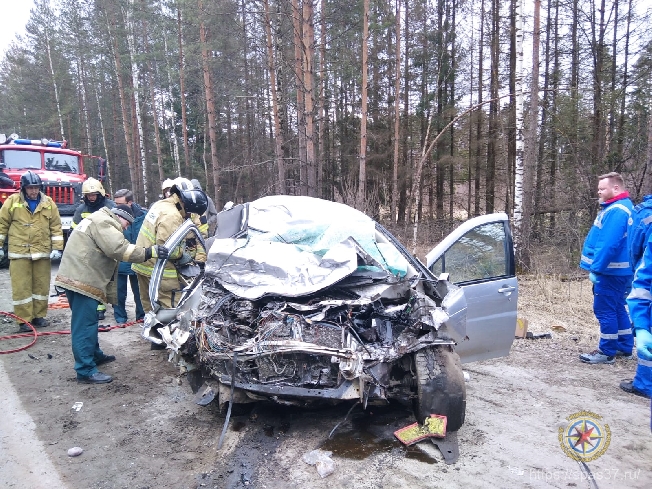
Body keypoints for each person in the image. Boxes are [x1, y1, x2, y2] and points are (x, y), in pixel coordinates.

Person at [54, 205, 169, 384]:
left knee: (88, 321)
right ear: (119, 216)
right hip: (82, 280)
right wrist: (149, 252)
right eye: (126, 223)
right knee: (84, 325)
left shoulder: (99, 218)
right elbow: (119, 249)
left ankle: (94, 355)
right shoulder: (105, 222)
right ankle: (85, 370)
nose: (126, 228)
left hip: (79, 276)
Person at [579, 172, 634, 364]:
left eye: (602, 188)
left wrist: (596, 269)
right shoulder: (621, 208)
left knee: (604, 310)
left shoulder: (617, 211)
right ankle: (624, 346)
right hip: (619, 272)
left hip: (610, 272)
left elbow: (608, 244)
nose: (598, 192)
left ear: (616, 188)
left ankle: (606, 352)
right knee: (618, 307)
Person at [132, 178, 208, 313]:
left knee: (150, 306)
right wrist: (184, 256)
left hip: (143, 264)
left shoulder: (160, 205)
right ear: (184, 199)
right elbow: (168, 250)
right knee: (171, 305)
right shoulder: (173, 215)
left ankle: (152, 330)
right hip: (160, 268)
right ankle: (168, 331)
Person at [0, 171, 64, 332]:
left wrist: (57, 248)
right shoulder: (12, 202)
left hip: (41, 252)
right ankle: (23, 321)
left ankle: (39, 316)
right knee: (21, 287)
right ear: (24, 188)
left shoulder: (48, 203)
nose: (33, 191)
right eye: (30, 188)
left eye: (36, 188)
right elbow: (2, 225)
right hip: (19, 252)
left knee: (41, 287)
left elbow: (56, 227)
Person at [72, 177, 115, 320]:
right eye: (89, 195)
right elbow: (74, 231)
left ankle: (101, 307)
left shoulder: (110, 206)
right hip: (87, 250)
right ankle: (95, 307)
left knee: (103, 279)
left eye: (94, 195)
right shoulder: (81, 210)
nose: (91, 198)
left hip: (105, 248)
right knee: (90, 279)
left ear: (100, 193)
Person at [112, 189, 147, 324]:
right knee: (118, 292)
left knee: (140, 292)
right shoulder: (112, 215)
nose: (117, 207)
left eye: (120, 203)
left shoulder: (144, 216)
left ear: (130, 202)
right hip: (119, 259)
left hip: (137, 259)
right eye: (116, 204)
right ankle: (120, 317)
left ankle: (142, 316)